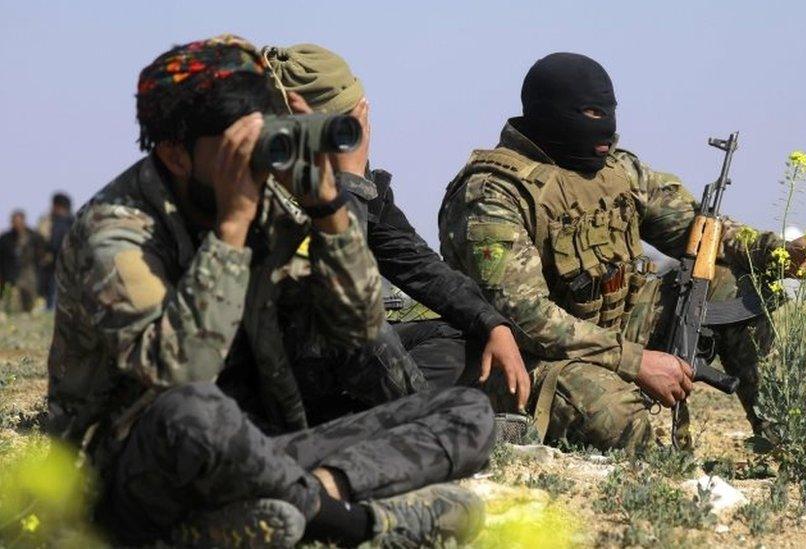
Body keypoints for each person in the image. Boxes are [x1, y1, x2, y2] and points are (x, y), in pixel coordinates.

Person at [47, 35, 493, 548]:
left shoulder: (265, 194)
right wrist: (232, 230)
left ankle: (290, 503)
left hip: (259, 446)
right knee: (192, 410)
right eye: (239, 149)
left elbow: (360, 325)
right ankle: (352, 524)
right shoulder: (117, 233)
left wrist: (328, 206)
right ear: (175, 155)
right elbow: (181, 376)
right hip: (135, 467)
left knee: (466, 412)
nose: (257, 162)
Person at [439, 52, 806, 453]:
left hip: (614, 328)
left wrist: (779, 252)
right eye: (592, 112)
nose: (606, 127)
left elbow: (696, 232)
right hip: (527, 359)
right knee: (619, 421)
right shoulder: (493, 193)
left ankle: (785, 439)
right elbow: (527, 319)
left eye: (610, 112)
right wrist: (635, 362)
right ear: (550, 114)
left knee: (731, 285)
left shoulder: (616, 171)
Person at [263, 44, 530, 423]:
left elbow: (416, 264)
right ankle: (427, 425)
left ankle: (358, 421)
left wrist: (491, 323)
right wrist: (349, 183)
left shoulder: (343, 182)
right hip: (266, 374)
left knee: (461, 340)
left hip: (323, 367)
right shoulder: (250, 187)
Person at [0, 210, 46, 313]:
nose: (17, 225)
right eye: (15, 222)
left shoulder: (34, 236)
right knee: (14, 302)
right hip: (11, 275)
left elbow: (42, 253)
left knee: (30, 301)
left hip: (29, 273)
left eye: (19, 222)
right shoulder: (5, 239)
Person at [36, 192, 75, 309]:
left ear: (56, 206)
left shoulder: (58, 223)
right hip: (73, 266)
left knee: (53, 297)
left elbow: (54, 244)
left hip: (58, 265)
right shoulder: (76, 220)